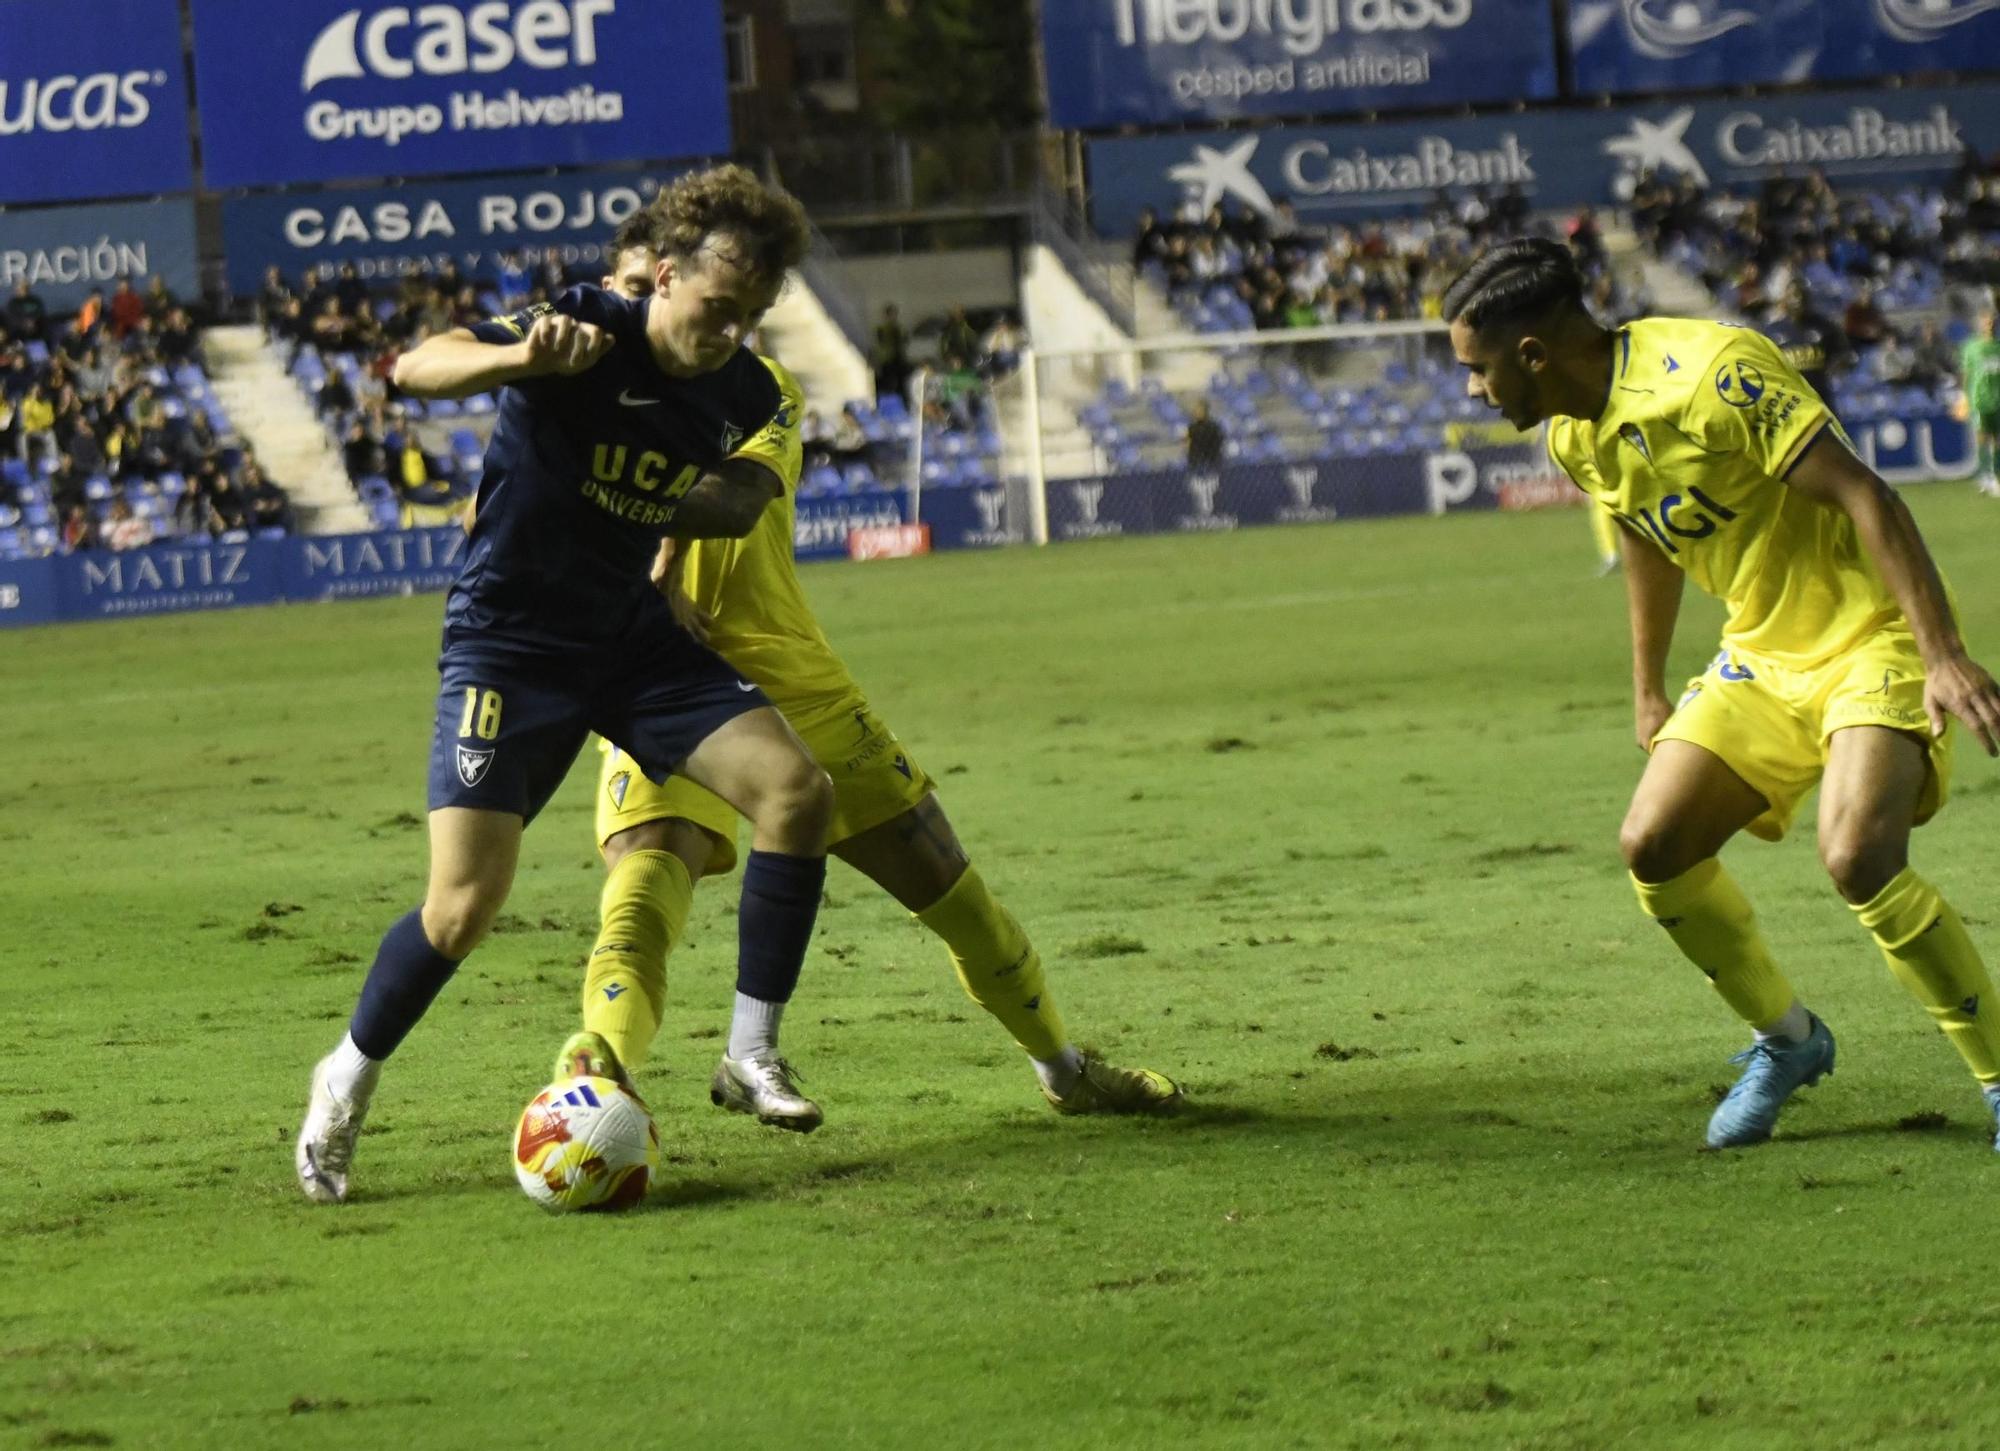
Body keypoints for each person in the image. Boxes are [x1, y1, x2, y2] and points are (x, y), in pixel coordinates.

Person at [295, 164, 837, 1204]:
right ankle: (346, 1078)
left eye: (752, 314)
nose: (730, 330)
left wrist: (692, 485)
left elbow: (738, 501)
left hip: (632, 640)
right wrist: (520, 359)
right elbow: (417, 366)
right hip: (511, 643)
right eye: (717, 307)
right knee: (462, 905)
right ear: (664, 275)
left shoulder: (749, 391)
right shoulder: (585, 321)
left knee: (796, 791)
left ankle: (750, 1052)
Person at [564, 233, 1183, 1120]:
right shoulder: (578, 402)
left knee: (950, 886)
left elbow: (730, 500)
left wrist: (625, 521)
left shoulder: (760, 389)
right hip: (663, 687)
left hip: (793, 679)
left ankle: (1062, 1067)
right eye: (624, 289)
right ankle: (597, 1088)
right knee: (640, 892)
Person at [1445, 237, 2000, 1150]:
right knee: (1653, 843)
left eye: (1477, 368)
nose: (1471, 388)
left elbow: (1868, 497)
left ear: (1533, 355)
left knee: (1857, 853)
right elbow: (1647, 537)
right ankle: (1787, 1042)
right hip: (1762, 656)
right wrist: (1648, 690)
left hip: (1872, 636)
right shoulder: (1573, 433)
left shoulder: (1712, 374)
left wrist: (1941, 653)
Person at [1959, 305, 2000, 497]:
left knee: (1998, 440)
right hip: (1980, 400)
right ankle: (1986, 477)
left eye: (1992, 322)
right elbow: (1967, 374)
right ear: (1980, 324)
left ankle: (1997, 477)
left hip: (1998, 400)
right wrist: (1964, 398)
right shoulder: (1971, 347)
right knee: (1983, 438)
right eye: (1986, 322)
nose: (1990, 325)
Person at [1186, 399, 1225, 471]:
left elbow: (1219, 442)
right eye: (1196, 410)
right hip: (1196, 462)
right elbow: (1189, 444)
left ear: (1205, 411)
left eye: (1199, 410)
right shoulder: (1192, 427)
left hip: (1212, 461)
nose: (1196, 412)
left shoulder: (1214, 427)